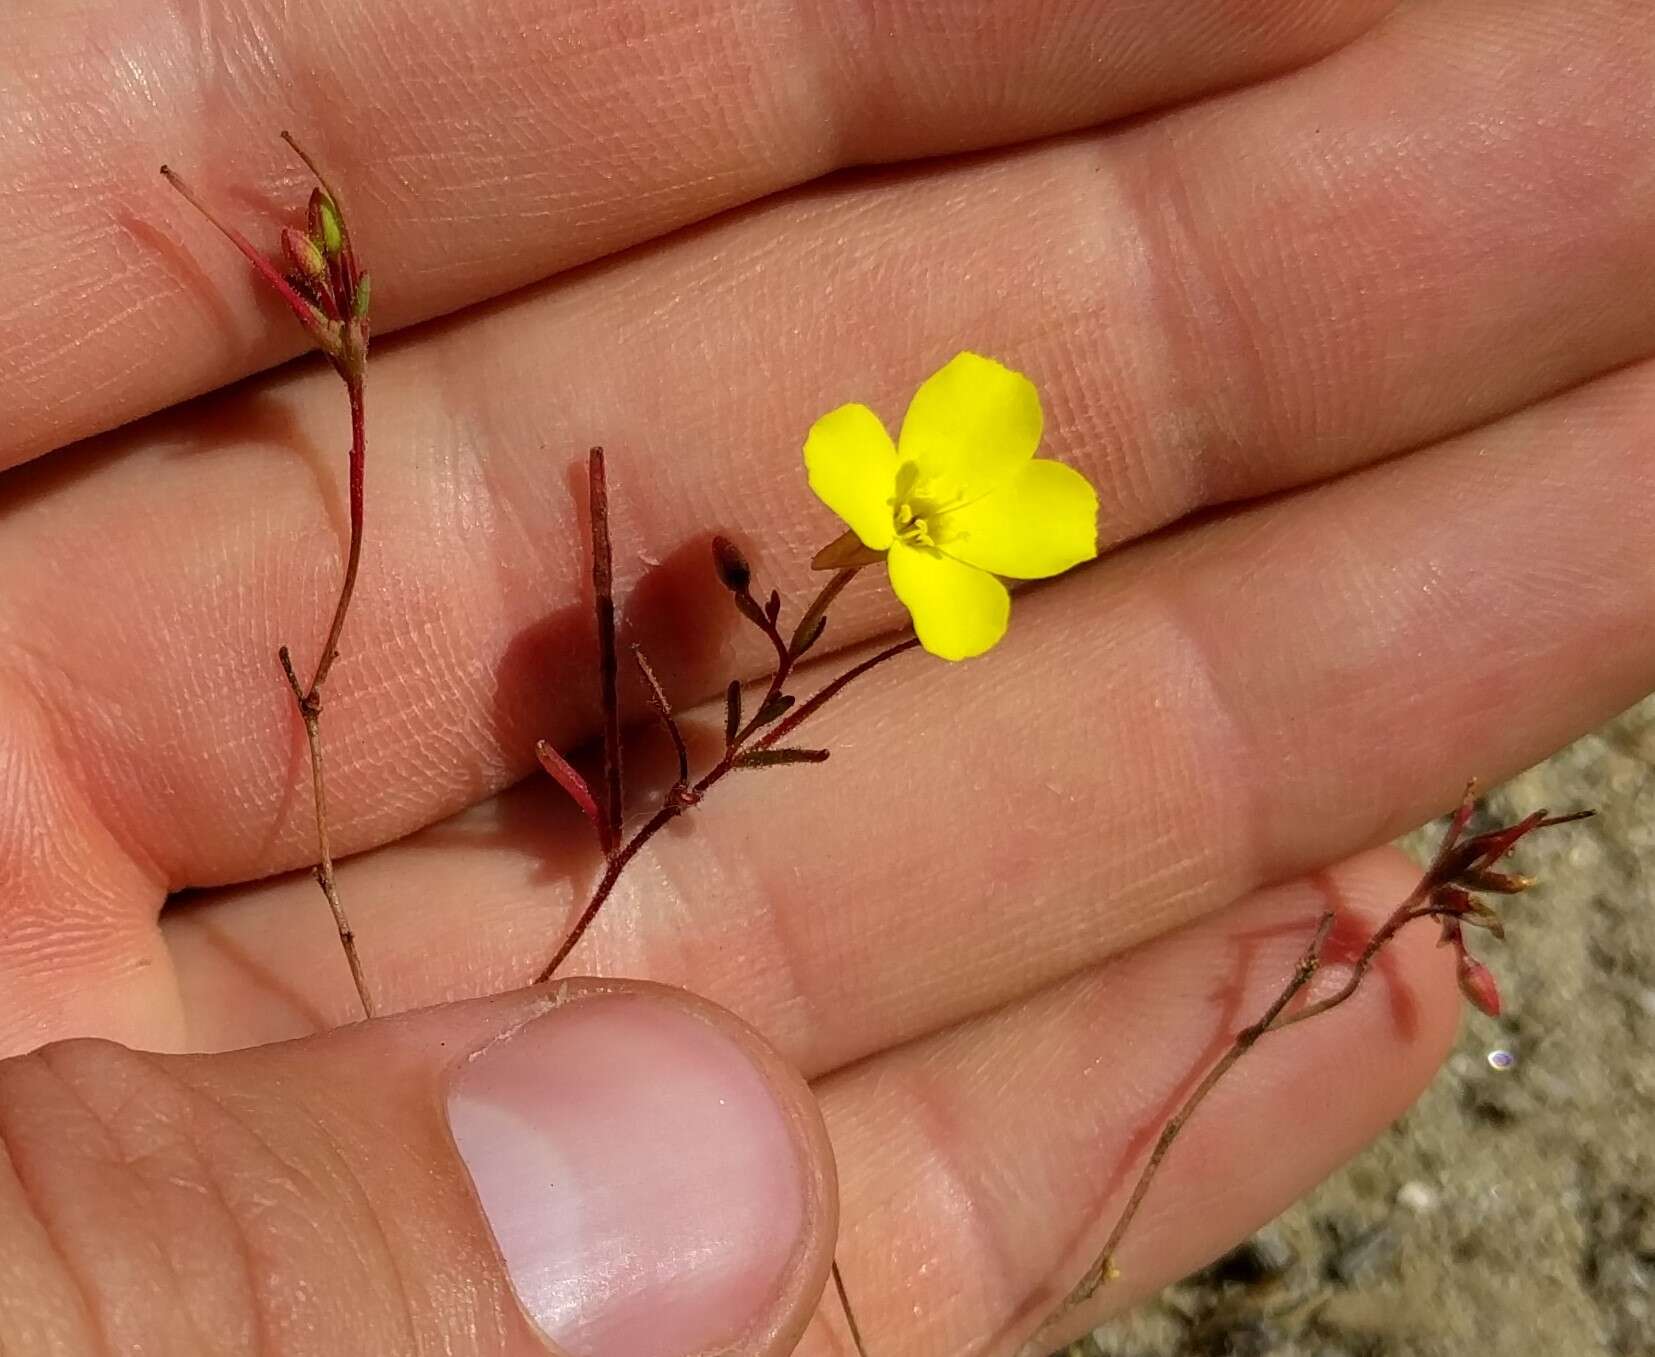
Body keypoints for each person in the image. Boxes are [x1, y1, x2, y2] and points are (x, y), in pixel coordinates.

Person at [1, 0, 1651, 1352]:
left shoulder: (931, 552)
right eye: (911, 512)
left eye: (922, 519)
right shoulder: (871, 499)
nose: (916, 514)